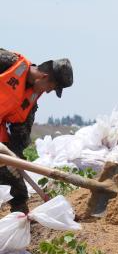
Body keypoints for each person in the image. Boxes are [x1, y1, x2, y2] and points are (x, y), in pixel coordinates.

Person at [0, 53, 72, 215]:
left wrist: (15, 160)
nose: (47, 92)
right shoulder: (10, 63)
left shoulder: (30, 100)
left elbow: (20, 135)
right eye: (51, 88)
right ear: (44, 77)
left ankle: (20, 216)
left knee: (14, 174)